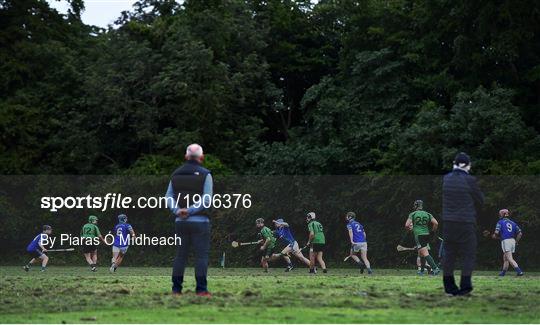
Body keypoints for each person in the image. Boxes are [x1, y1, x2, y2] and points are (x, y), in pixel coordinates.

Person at [166, 143, 213, 297]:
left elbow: (168, 198)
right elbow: (206, 200)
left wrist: (178, 211)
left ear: (186, 156)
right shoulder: (206, 174)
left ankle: (176, 290)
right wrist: (191, 210)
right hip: (201, 222)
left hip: (180, 222)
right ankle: (201, 290)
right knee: (201, 256)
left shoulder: (175, 174)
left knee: (180, 256)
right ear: (202, 157)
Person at [441, 152, 484, 296]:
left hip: (448, 223)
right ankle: (465, 288)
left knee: (449, 256)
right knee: (468, 255)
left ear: (454, 163)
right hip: (465, 223)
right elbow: (481, 200)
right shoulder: (470, 180)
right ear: (467, 165)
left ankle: (449, 288)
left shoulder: (446, 179)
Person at [405, 200, 440, 275]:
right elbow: (436, 223)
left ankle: (435, 268)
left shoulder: (413, 214)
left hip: (419, 235)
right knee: (421, 253)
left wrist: (410, 230)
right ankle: (422, 271)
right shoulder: (428, 214)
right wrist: (433, 232)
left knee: (424, 253)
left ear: (415, 206)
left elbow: (407, 225)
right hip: (427, 234)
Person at [491, 209, 524, 276]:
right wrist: (516, 242)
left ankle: (519, 271)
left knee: (509, 258)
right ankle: (503, 273)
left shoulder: (500, 222)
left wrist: (494, 236)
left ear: (502, 214)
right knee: (505, 258)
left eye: (500, 214)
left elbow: (496, 233)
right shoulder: (513, 223)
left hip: (506, 241)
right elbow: (520, 234)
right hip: (512, 241)